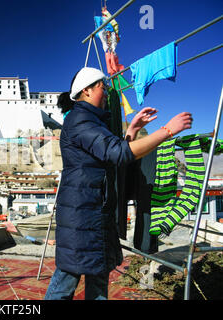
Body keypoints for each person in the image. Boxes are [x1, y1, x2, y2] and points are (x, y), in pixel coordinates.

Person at [44, 67, 192, 300]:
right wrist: (166, 131)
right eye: (104, 87)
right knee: (67, 278)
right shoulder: (81, 120)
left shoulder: (90, 121)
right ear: (87, 90)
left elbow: (110, 154)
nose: (107, 93)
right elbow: (118, 154)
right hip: (83, 215)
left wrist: (131, 130)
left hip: (92, 212)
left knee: (98, 274)